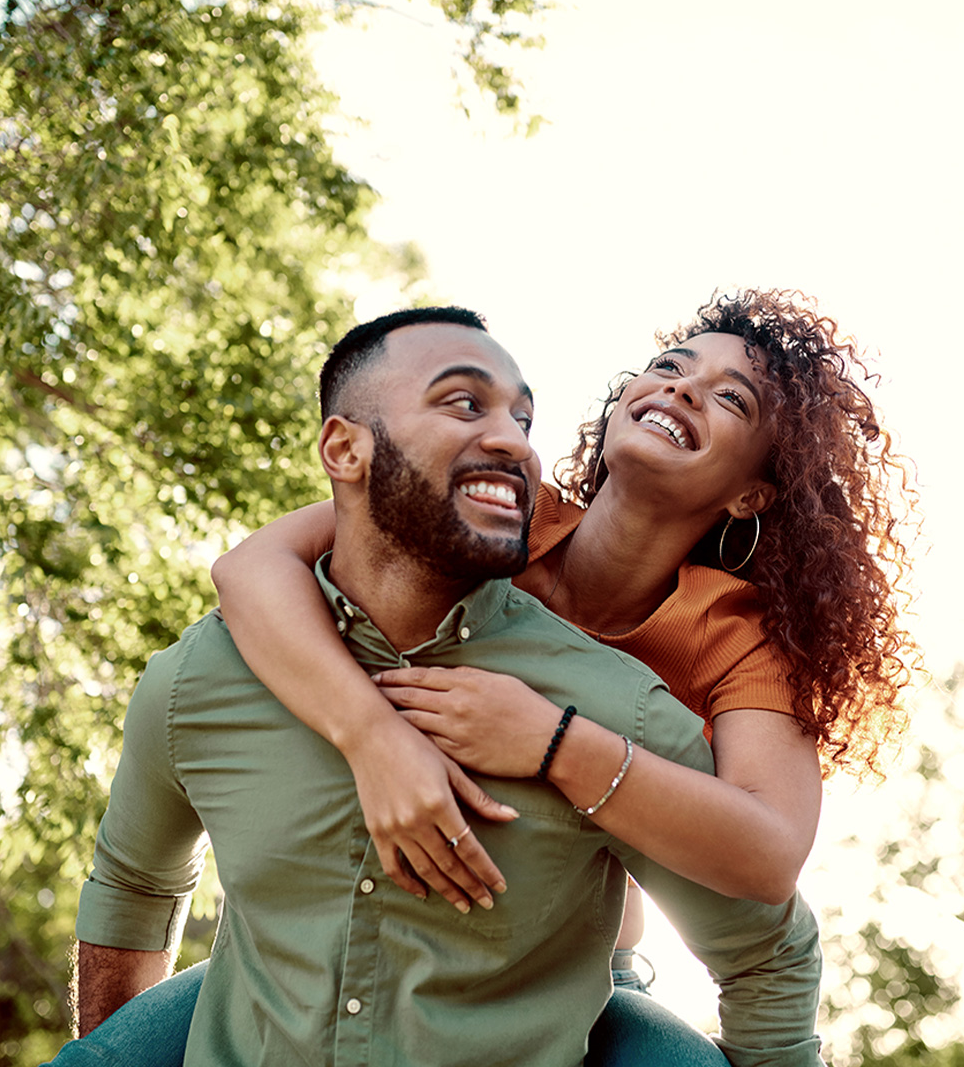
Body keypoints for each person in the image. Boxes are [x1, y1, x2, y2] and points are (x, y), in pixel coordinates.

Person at [57, 307, 828, 1067]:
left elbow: (766, 863)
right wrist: (374, 736)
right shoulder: (495, 516)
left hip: (560, 971)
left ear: (752, 494)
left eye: (731, 397)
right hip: (295, 974)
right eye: (670, 365)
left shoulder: (736, 638)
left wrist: (552, 741)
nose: (684, 389)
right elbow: (250, 568)